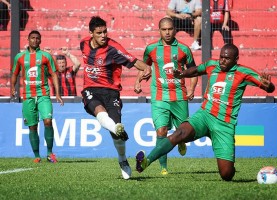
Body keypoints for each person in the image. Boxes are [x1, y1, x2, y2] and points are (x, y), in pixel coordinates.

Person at [135, 43, 275, 181]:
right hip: (204, 115)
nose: (222, 60)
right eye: (221, 57)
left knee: (226, 174)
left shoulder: (244, 73)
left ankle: (229, 161)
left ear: (236, 59)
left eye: (227, 58)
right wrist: (182, 74)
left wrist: (269, 87)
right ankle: (146, 162)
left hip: (224, 124)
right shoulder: (212, 65)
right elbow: (196, 70)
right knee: (179, 133)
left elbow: (267, 87)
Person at [80, 16, 151, 180]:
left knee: (116, 133)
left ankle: (122, 160)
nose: (103, 35)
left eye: (105, 31)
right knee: (99, 111)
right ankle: (118, 130)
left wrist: (147, 68)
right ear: (91, 33)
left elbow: (132, 61)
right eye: (99, 33)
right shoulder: (83, 44)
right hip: (90, 89)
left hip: (111, 92)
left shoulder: (113, 48)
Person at [134, 17, 198, 175]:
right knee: (161, 131)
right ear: (159, 30)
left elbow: (194, 70)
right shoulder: (151, 49)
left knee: (183, 132)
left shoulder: (184, 49)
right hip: (159, 96)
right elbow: (144, 67)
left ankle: (181, 142)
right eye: (164, 29)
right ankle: (163, 168)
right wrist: (138, 81)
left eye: (170, 29)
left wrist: (191, 88)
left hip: (179, 96)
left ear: (174, 30)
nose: (167, 32)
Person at [11, 30, 64, 163]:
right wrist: (12, 87)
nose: (35, 40)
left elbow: (53, 74)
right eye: (33, 38)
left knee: (47, 121)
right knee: (32, 126)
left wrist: (57, 93)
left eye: (37, 38)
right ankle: (36, 156)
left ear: (40, 41)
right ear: (28, 40)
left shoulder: (46, 56)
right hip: (27, 96)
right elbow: (14, 73)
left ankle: (50, 153)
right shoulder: (20, 57)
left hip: (43, 94)